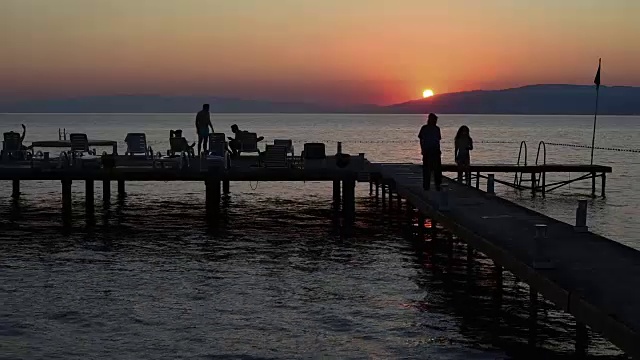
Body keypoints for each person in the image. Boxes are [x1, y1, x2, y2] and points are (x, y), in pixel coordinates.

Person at [418, 113, 442, 191]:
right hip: (427, 150)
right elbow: (421, 140)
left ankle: (437, 185)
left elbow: (438, 140)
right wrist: (422, 149)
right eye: (434, 119)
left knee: (437, 169)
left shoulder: (437, 129)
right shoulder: (424, 128)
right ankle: (426, 186)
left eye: (435, 120)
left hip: (435, 150)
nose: (435, 121)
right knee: (427, 169)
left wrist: (439, 150)